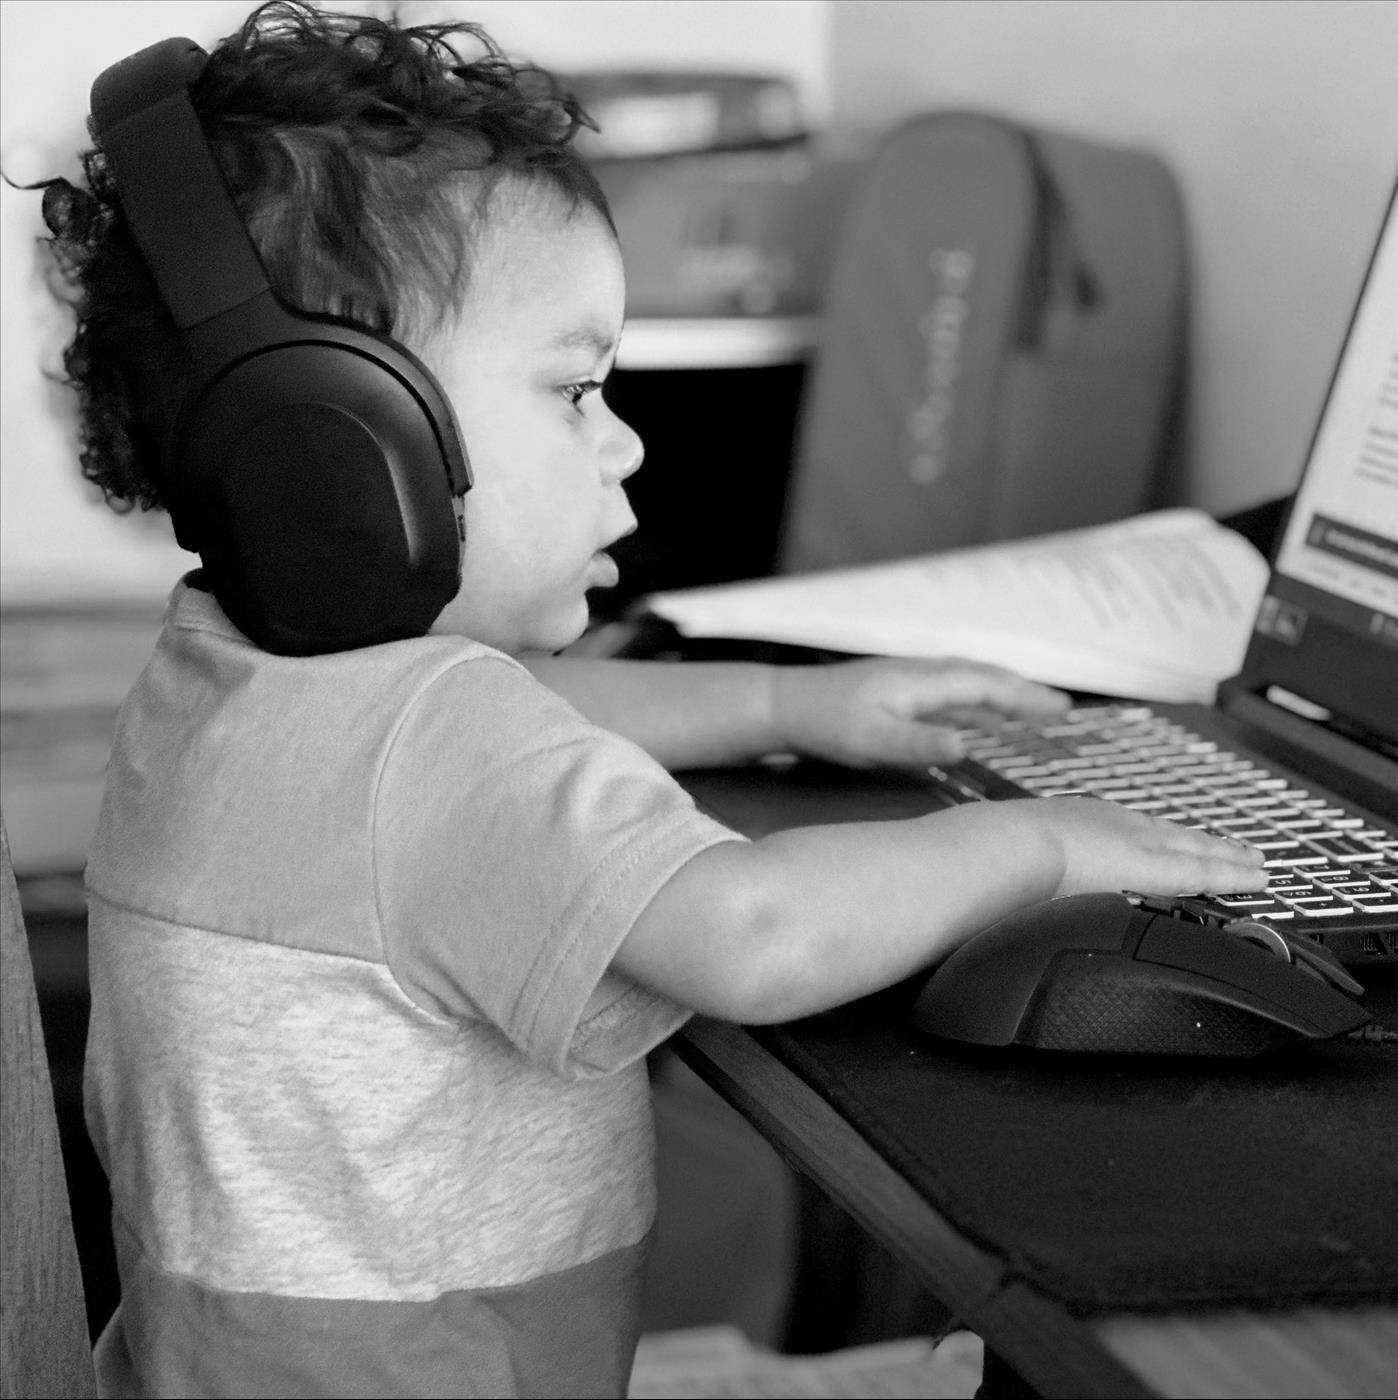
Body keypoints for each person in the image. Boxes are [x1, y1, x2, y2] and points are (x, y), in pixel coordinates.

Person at [35, 4, 1266, 1396]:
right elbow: (760, 937)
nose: (624, 444)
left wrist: (784, 708)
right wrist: (1038, 843)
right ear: (334, 442)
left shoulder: (217, 683)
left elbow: (487, 737)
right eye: (575, 391)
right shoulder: (435, 742)